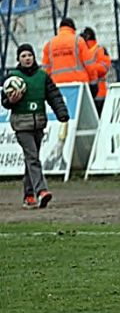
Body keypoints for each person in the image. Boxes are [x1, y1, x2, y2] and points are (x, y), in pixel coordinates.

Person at [1, 43, 69, 209]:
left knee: (31, 160)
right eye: (23, 56)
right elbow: (4, 102)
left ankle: (29, 195)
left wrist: (61, 113)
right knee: (33, 158)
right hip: (21, 125)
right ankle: (41, 191)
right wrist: (10, 100)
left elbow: (53, 95)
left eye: (29, 55)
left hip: (38, 123)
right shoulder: (13, 77)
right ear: (18, 59)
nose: (27, 58)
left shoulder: (42, 76)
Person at [42, 17, 96, 86]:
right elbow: (89, 64)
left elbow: (46, 69)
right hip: (79, 83)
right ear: (73, 28)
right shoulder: (78, 41)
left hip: (57, 84)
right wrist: (93, 82)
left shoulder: (49, 44)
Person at [81, 27, 112, 115]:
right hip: (87, 93)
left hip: (99, 94)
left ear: (87, 37)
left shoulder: (99, 50)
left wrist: (90, 69)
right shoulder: (83, 51)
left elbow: (104, 67)